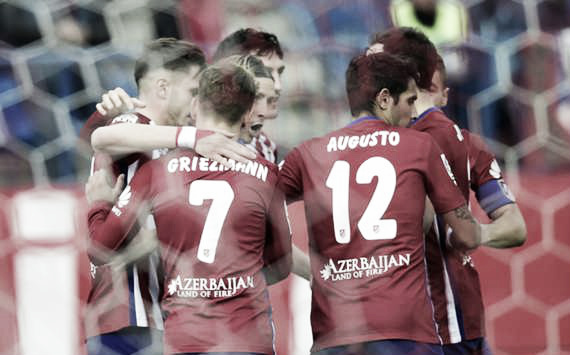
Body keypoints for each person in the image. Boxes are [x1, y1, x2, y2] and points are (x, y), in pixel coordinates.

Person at [279, 51, 486, 355]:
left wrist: (304, 265)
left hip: (335, 334)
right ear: (385, 99)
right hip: (404, 332)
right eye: (411, 100)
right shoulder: (419, 146)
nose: (414, 114)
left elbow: (250, 209)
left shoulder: (308, 154)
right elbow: (467, 236)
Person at [86, 61, 292, 355]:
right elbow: (280, 263)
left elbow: (100, 247)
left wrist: (99, 204)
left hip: (187, 338)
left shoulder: (159, 170)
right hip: (248, 337)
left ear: (195, 106)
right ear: (248, 115)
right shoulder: (267, 173)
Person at [369, 27, 526, 354]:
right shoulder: (467, 141)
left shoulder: (402, 143)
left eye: (375, 63)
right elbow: (514, 226)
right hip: (462, 314)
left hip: (429, 322)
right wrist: (474, 235)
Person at [84, 38, 209, 355]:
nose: (199, 104)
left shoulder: (166, 145)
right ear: (163, 88)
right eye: (193, 92)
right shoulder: (131, 123)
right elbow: (104, 137)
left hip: (148, 315)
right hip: (132, 314)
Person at [213, 28, 286, 163]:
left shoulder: (266, 146)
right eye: (265, 72)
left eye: (279, 73)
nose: (277, 86)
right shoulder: (190, 140)